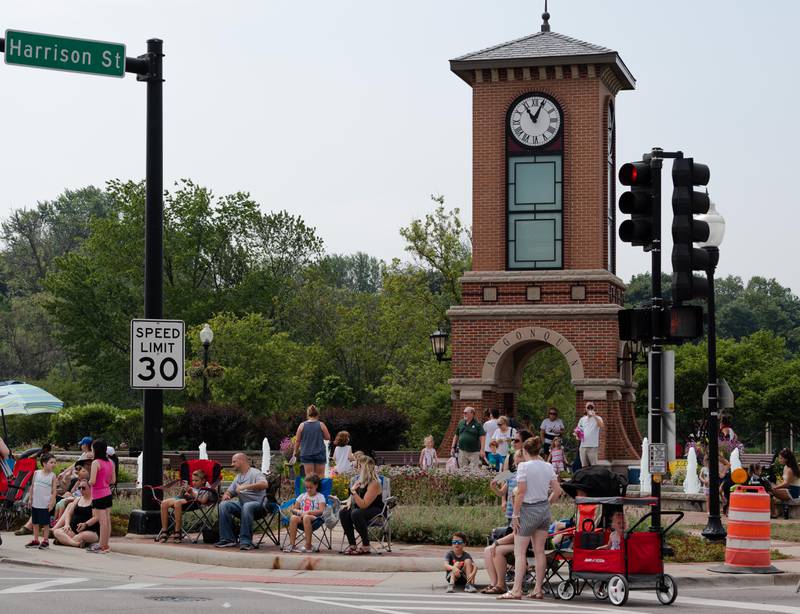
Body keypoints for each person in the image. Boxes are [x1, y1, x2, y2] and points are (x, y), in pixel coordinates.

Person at [498, 436, 562, 601]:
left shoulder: (524, 467)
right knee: (540, 551)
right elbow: (557, 490)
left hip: (527, 509)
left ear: (525, 451)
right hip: (543, 509)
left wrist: (515, 514)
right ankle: (538, 589)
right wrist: (546, 504)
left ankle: (516, 590)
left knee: (519, 552)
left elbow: (521, 492)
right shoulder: (548, 466)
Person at [215, 453, 269, 551]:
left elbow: (264, 484)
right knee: (224, 505)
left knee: (247, 506)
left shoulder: (255, 473)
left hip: (259, 506)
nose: (232, 464)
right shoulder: (238, 477)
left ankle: (245, 541)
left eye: (234, 461)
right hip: (243, 506)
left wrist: (246, 486)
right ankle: (228, 539)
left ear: (242, 461)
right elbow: (230, 491)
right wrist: (227, 495)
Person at [340, 456, 383, 555]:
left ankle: (366, 545)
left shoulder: (374, 483)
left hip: (376, 511)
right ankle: (352, 544)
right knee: (344, 512)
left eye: (359, 466)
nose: (357, 468)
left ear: (365, 468)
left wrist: (353, 492)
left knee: (356, 513)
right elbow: (351, 499)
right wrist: (348, 502)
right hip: (362, 511)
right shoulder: (360, 481)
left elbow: (364, 505)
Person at [158, 469, 211, 543]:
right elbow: (180, 496)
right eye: (193, 480)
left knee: (177, 503)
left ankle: (177, 531)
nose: (194, 483)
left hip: (193, 503)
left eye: (196, 481)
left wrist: (191, 493)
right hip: (183, 499)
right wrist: (182, 491)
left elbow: (203, 501)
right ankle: (164, 531)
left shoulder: (207, 489)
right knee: (164, 503)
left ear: (203, 481)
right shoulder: (192, 488)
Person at [284, 474, 327, 553]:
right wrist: (298, 511)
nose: (308, 489)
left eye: (311, 487)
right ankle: (292, 545)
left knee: (306, 517)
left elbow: (321, 511)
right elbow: (294, 509)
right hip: (302, 516)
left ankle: (308, 545)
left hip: (315, 518)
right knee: (293, 518)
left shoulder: (320, 496)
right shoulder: (302, 496)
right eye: (307, 487)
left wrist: (309, 512)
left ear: (316, 486)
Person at [52, 479, 100, 548]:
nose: (81, 490)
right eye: (79, 488)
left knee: (81, 536)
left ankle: (63, 541)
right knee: (56, 532)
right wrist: (67, 524)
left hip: (89, 530)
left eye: (83, 488)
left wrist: (85, 524)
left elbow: (96, 517)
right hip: (73, 530)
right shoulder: (77, 499)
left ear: (91, 488)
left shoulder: (94, 501)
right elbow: (68, 514)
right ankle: (75, 544)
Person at [88, 439, 115, 553]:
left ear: (96, 449)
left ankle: (101, 546)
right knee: (107, 521)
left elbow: (92, 481)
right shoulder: (110, 462)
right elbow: (113, 480)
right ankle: (106, 544)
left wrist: (87, 481)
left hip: (98, 495)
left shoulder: (96, 463)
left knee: (102, 522)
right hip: (108, 493)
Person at [25, 452, 57, 549]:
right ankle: (35, 540)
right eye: (51, 462)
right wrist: (30, 498)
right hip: (36, 503)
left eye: (55, 462)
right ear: (44, 463)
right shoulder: (36, 473)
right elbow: (32, 486)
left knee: (45, 523)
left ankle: (46, 540)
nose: (54, 464)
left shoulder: (52, 476)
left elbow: (54, 491)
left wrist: (51, 502)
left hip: (45, 504)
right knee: (35, 522)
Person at [292, 405, 331, 477]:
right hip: (319, 453)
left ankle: (311, 488)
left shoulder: (302, 425)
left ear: (308, 414)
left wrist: (295, 452)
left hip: (306, 454)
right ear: (317, 414)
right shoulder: (321, 424)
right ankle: (320, 488)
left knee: (309, 477)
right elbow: (328, 437)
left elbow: (297, 441)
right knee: (320, 476)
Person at [772, 448, 800, 519]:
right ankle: (773, 512)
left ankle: (774, 513)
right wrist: (776, 485)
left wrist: (776, 487)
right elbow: (784, 482)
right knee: (770, 489)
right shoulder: (785, 467)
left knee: (771, 491)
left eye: (781, 458)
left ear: (786, 459)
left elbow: (786, 484)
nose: (779, 460)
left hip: (793, 492)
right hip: (788, 489)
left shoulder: (790, 469)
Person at [576, 402, 604, 468]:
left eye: (591, 407)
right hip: (583, 446)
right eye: (588, 407)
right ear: (586, 409)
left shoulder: (598, 418)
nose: (590, 409)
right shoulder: (582, 419)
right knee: (584, 466)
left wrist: (594, 416)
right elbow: (578, 430)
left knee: (594, 467)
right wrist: (577, 435)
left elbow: (601, 425)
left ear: (594, 409)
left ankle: (593, 478)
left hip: (593, 447)